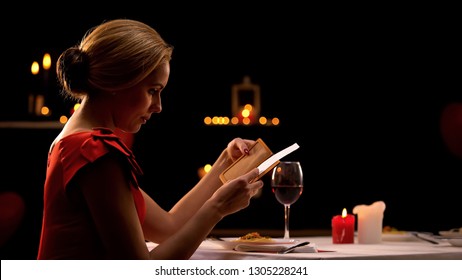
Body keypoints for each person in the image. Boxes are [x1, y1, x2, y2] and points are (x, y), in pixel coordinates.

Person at [37, 18, 263, 260]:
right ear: (118, 82)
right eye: (152, 91)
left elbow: (168, 227)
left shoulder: (75, 141)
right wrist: (217, 209)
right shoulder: (94, 151)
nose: (158, 107)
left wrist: (225, 163)